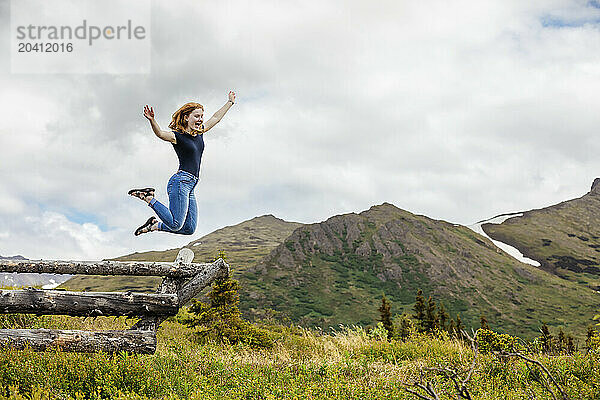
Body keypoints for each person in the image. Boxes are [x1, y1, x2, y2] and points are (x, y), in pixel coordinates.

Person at [129, 91, 236, 236]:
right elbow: (160, 133)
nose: (200, 119)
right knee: (175, 224)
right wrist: (152, 120)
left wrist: (230, 102)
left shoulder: (200, 132)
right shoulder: (177, 136)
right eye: (196, 116)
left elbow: (216, 118)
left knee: (189, 229)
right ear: (186, 117)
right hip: (180, 182)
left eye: (201, 116)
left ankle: (154, 226)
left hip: (191, 185)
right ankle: (148, 197)